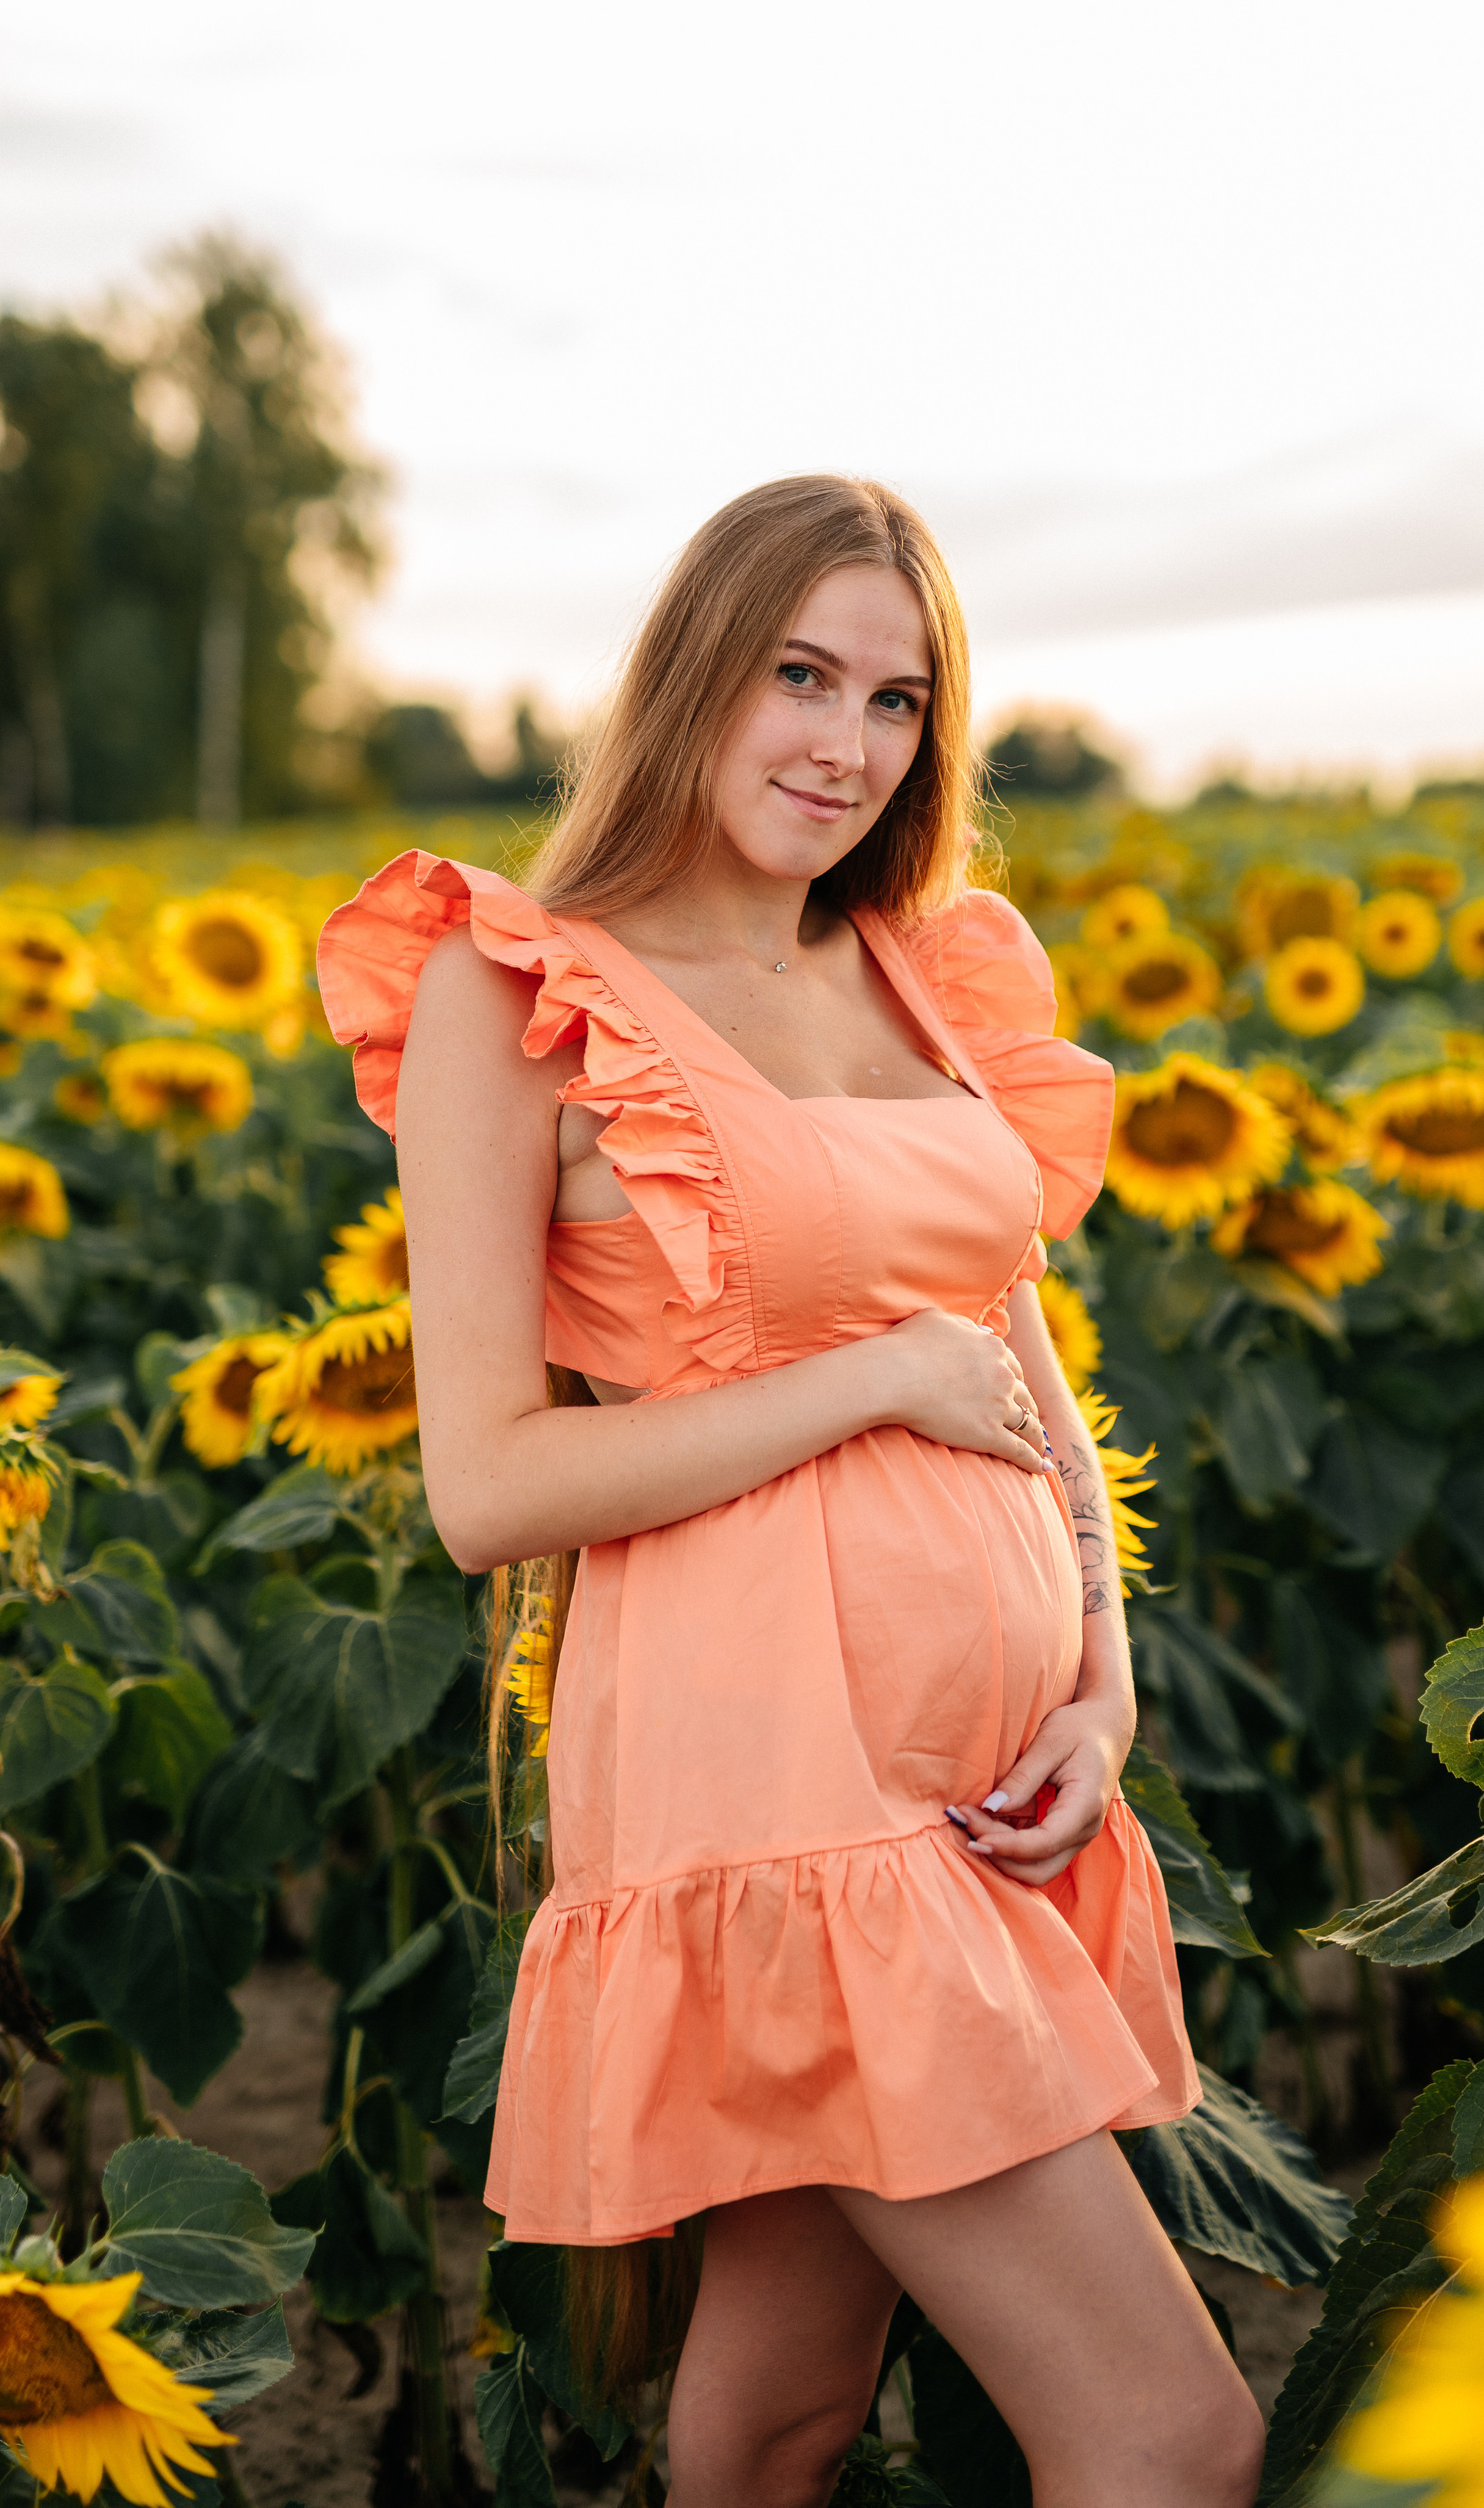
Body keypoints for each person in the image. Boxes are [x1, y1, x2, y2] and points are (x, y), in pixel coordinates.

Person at [317, 476, 1264, 2508]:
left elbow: (1014, 1352)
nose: (846, 746)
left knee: (773, 2420)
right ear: (692, 680)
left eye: (899, 702)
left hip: (980, 1773)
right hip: (771, 1777)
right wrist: (867, 1384)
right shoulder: (526, 989)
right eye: (800, 676)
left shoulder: (915, 969)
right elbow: (488, 1485)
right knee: (1174, 2437)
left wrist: (1103, 1683)